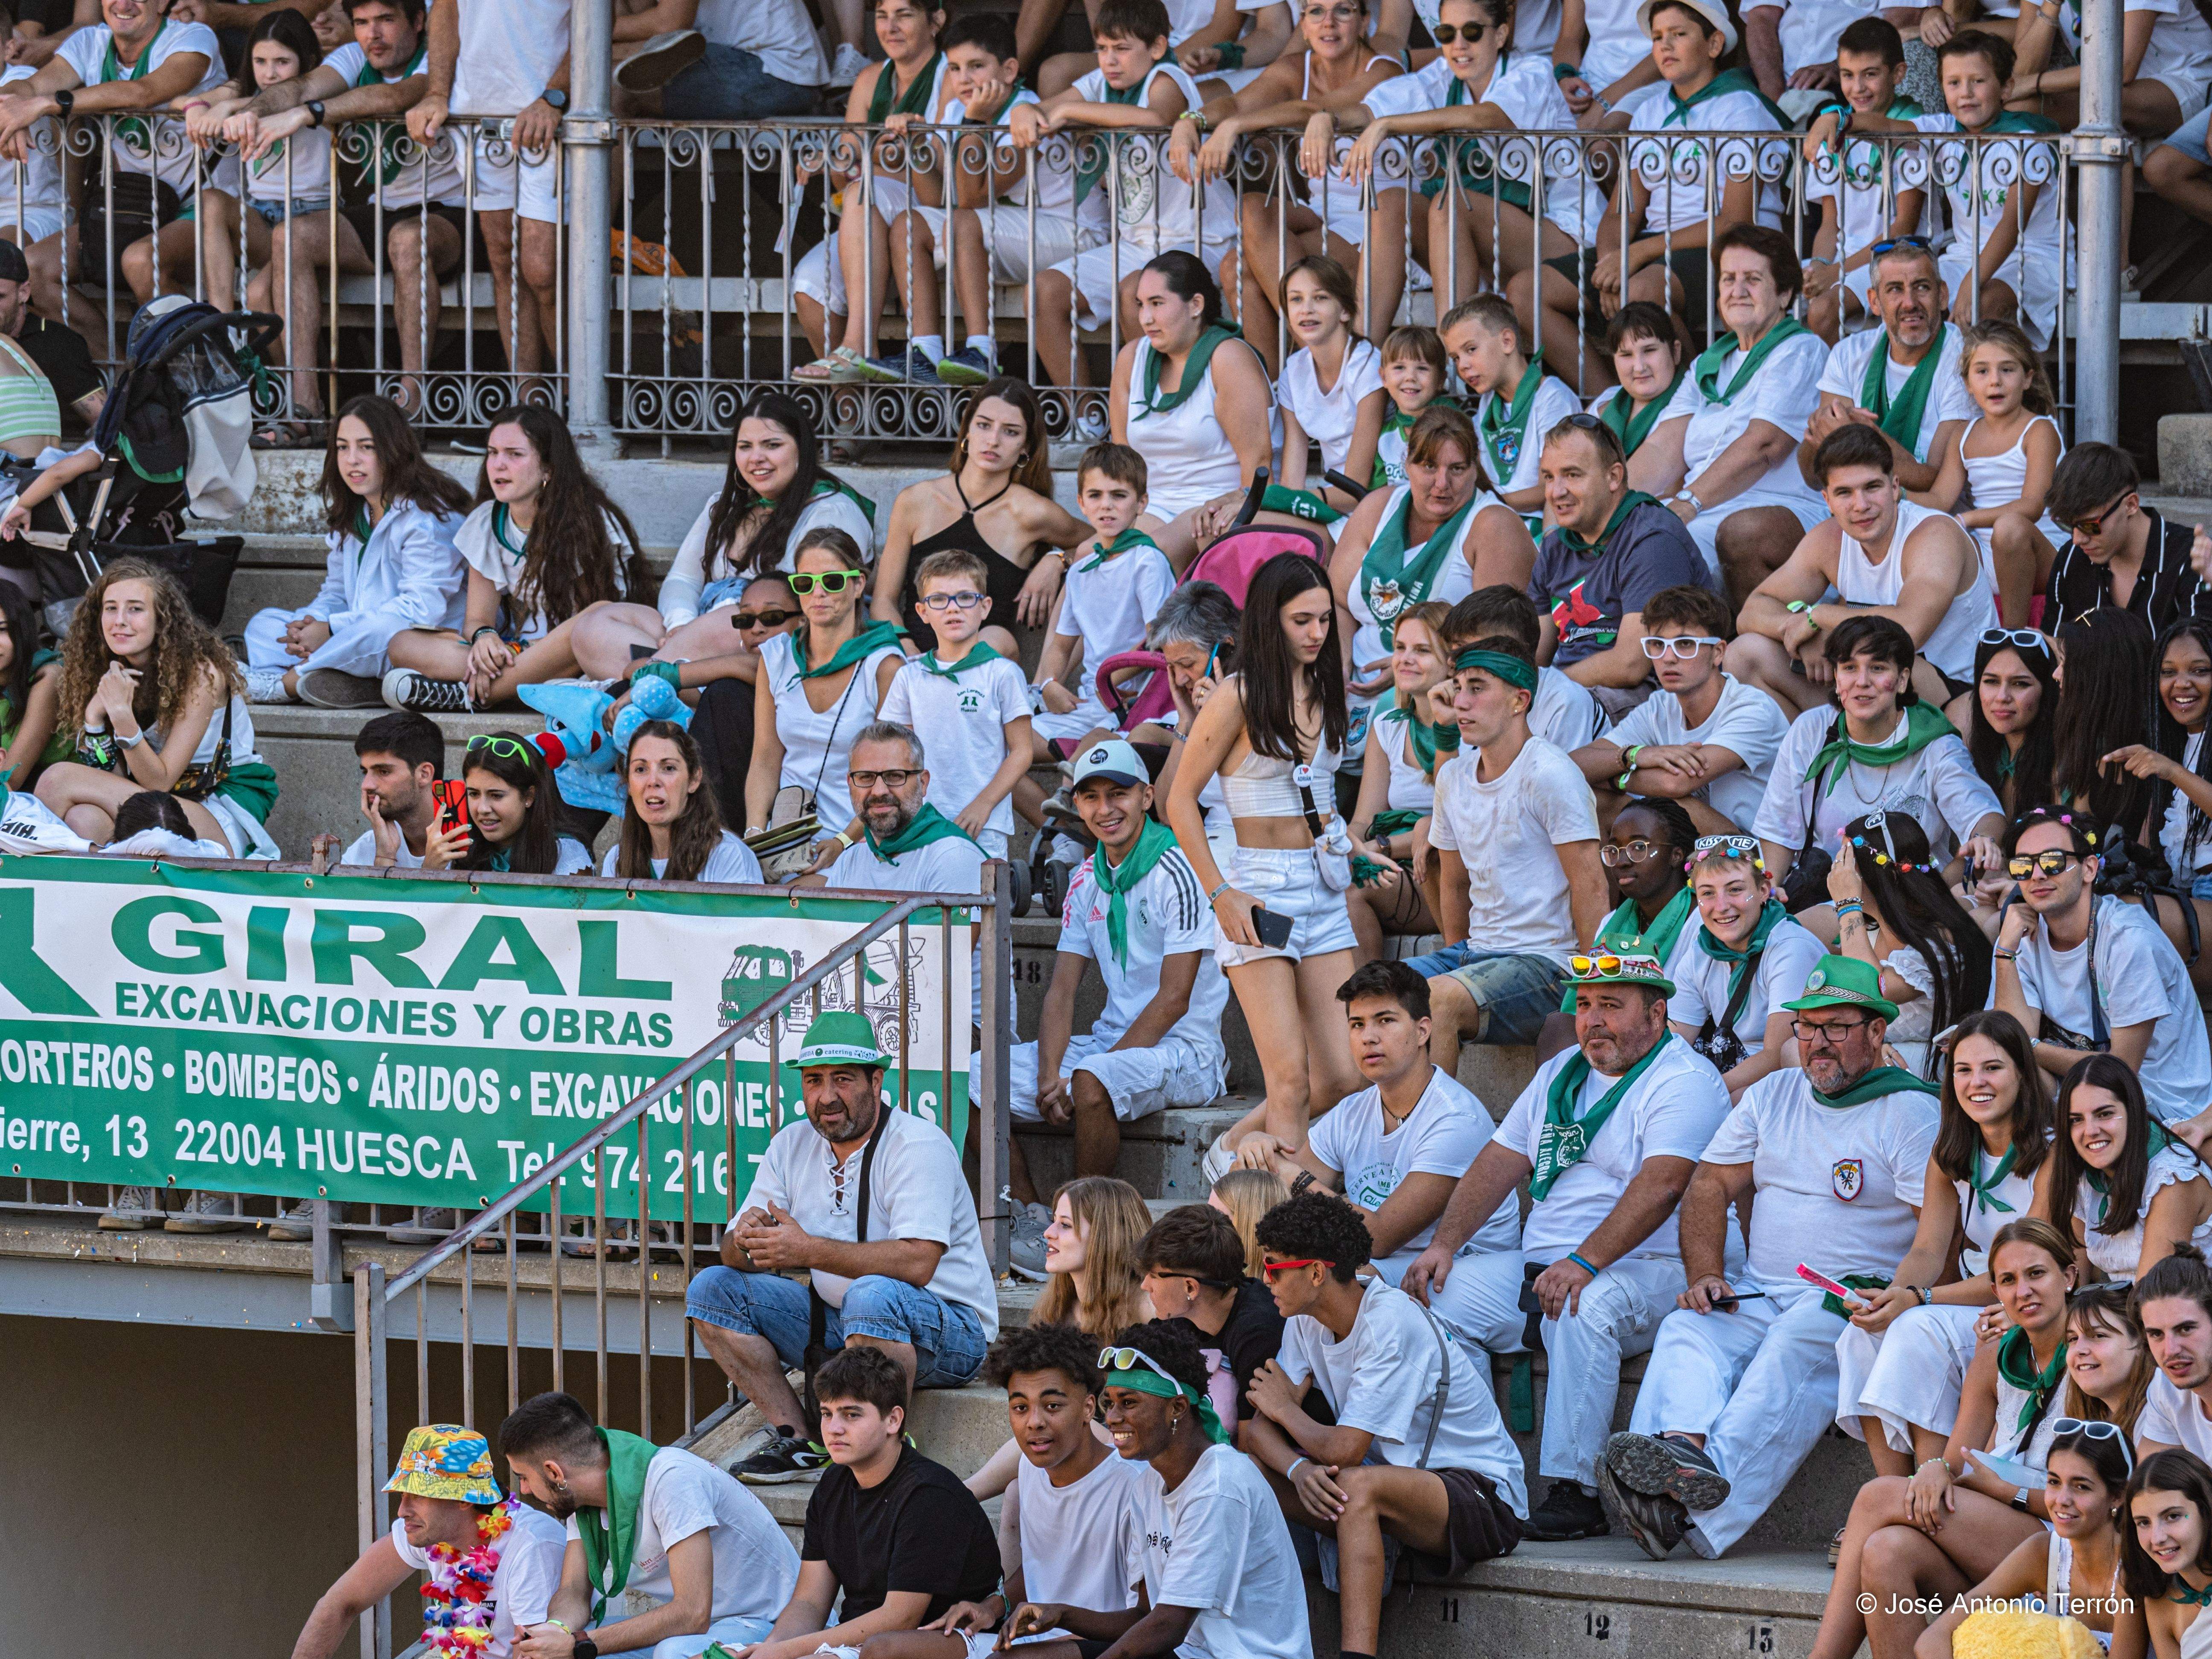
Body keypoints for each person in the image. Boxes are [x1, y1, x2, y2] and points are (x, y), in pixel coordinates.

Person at [1602, 954, 1941, 1561]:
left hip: (1847, 1300)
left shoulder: (1910, 1110)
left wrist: (1900, 1299)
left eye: (1837, 1027)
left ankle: (1683, 1511)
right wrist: (1705, 1274)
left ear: (1876, 1032)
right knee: (1687, 1322)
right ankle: (1678, 1450)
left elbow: (1933, 1239)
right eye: (1808, 1027)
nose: (1818, 1043)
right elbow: (1708, 1186)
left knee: (1797, 1343)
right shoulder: (1775, 1092)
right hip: (1761, 1287)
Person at [1401, 950, 1732, 1544]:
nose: (1593, 1020)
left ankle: (1575, 1491)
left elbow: (1663, 1187)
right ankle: (1477, 1472)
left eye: (1611, 1005)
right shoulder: (1562, 1072)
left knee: (1585, 1308)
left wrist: (1584, 1262)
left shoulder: (1685, 1080)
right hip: (1545, 1266)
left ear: (1658, 1015)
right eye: (1583, 1006)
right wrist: (1445, 1245)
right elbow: (1501, 1161)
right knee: (1428, 1301)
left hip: (1649, 1267)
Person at [685, 1010, 995, 1482]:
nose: (826, 1097)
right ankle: (799, 1439)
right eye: (813, 1081)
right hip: (840, 1321)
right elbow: (733, 1251)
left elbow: (917, 1261)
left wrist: (805, 1251)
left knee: (871, 1295)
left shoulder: (918, 1145)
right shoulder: (790, 1145)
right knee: (712, 1290)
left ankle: (885, 1450)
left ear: (877, 1081)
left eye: (843, 1080)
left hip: (948, 1330)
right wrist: (746, 1240)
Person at [1245, 1192, 1527, 1650]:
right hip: (1397, 1490)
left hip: (1481, 1496)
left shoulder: (1389, 1320)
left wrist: (1286, 1411)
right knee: (1247, 1470)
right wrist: (1298, 1469)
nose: (1265, 1280)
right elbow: (1259, 1430)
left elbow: (1343, 1450)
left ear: (1316, 1272)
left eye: (1275, 1268)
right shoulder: (1303, 1320)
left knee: (1357, 1485)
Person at [1811, 1225, 2097, 1659]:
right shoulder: (1993, 1352)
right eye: (2008, 1281)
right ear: (1996, 1291)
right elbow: (1953, 1463)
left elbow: (2098, 1503)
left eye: (2037, 1274)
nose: (2024, 1291)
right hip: (1998, 1532)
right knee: (1886, 1551)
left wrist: (2000, 1490)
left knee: (1877, 1497)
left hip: (2064, 1543)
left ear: (2070, 1277)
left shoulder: (2091, 1358)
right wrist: (1933, 1471)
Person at [1166, 553, 1361, 1168]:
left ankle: (1228, 1154)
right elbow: (1179, 801)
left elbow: (1320, 798)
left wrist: (1356, 847)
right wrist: (1221, 892)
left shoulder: (1329, 690)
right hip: (1256, 887)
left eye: (1325, 621)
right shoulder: (1237, 695)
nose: (1315, 633)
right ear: (1268, 622)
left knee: (1345, 1076)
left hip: (1322, 885)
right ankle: (1281, 1237)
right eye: (1301, 620)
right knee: (1291, 1082)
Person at [1002, 738, 1229, 1223]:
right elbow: (1061, 991)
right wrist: (1048, 1076)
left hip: (1187, 1052)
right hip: (1114, 1042)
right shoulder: (1086, 877)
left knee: (1091, 1079)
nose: (1106, 809)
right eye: (1091, 797)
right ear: (1077, 805)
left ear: (1147, 797)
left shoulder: (1181, 868)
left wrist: (1084, 1072)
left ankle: (1084, 1220)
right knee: (978, 1077)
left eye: (1118, 794)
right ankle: (1024, 1213)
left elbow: (1175, 998)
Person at [993, 1321, 1312, 1659]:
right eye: (1110, 1403)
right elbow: (1145, 1615)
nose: (1112, 1418)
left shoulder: (1218, 1486)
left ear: (1176, 1408)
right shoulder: (1149, 1481)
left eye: (1129, 1403)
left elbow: (1168, 1626)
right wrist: (1061, 1613)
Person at [1520, 0, 1787, 392]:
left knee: (1645, 290)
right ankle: (1604, 398)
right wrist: (1614, 261)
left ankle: (1694, 396)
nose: (1665, 46)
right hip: (1655, 251)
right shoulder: (1650, 111)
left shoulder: (1740, 108)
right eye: (1658, 37)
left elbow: (1736, 221)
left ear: (1715, 45)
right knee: (1527, 290)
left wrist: (1638, 256)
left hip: (1727, 247)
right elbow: (1621, 212)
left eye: (1679, 35)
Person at [221, 0, 467, 423]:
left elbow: (394, 97)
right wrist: (255, 111)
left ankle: (412, 400)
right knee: (290, 236)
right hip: (381, 212)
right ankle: (305, 408)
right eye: (362, 22)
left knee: (407, 239)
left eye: (387, 20)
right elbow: (299, 87)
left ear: (419, 22)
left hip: (450, 213)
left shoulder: (437, 52)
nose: (373, 34)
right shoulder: (356, 54)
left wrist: (307, 115)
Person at [1832, 1010, 2053, 1480]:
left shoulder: (2051, 1154)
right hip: (1976, 1301)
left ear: (2021, 1073)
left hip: (2022, 1301)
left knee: (1918, 1327)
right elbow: (1928, 1252)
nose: (1977, 1082)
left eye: (1993, 1068)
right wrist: (1896, 1296)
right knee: (1862, 1334)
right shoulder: (1950, 1149)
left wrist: (1919, 1300)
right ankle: (1890, 1491)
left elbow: (2021, 1272)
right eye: (1964, 1070)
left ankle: (1930, 1484)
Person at [1239, 960, 1522, 1289]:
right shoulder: (1353, 1111)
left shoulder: (1455, 1120)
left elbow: (1379, 1238)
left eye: (1385, 1021)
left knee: (1336, 1282)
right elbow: (1281, 1193)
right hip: (1393, 1264)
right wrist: (1257, 1148)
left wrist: (1292, 1175)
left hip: (1468, 1273)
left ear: (1422, 1031)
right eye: (1357, 1025)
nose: (1368, 1038)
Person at [1328, 0, 1597, 345]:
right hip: (1492, 242)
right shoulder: (1442, 77)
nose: (1458, 45)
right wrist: (1327, 118)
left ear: (1500, 34)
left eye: (1472, 32)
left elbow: (1485, 118)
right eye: (1446, 33)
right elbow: (1367, 111)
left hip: (1565, 240)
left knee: (1449, 203)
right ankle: (1361, 357)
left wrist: (1388, 125)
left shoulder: (1531, 72)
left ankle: (1451, 355)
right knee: (1391, 202)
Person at [870, 1325, 1142, 1659]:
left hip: (1099, 1644)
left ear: (1088, 1408)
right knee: (883, 1649)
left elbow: (1145, 1618)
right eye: (1020, 1408)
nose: (1034, 1422)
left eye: (1053, 1406)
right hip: (1030, 1638)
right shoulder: (1030, 1468)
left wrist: (1063, 1629)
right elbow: (1042, 1567)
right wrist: (991, 1607)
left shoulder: (1133, 1486)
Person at [1012, 3, 1238, 400]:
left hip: (1200, 240)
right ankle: (1084, 417)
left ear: (1156, 47)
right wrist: (1024, 109)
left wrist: (1065, 108)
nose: (1109, 61)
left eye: (1121, 48)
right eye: (1101, 49)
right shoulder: (1099, 83)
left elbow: (1154, 119)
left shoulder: (1166, 76)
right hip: (1137, 243)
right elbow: (1039, 110)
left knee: (1137, 289)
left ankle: (1158, 407)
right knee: (1044, 291)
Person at [1406, 633, 1605, 1071]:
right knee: (1376, 993)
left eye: (1478, 688)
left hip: (1548, 964)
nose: (1461, 702)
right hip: (1477, 952)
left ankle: (1438, 1137)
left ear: (1519, 700)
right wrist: (1462, 966)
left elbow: (1589, 886)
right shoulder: (1454, 777)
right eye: (1458, 687)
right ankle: (1385, 1126)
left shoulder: (1551, 773)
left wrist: (1591, 993)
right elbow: (1455, 883)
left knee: (1436, 1000)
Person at [497, 1390, 805, 1659]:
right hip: (709, 1629)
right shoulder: (583, 1503)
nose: (522, 1489)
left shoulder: (672, 1478)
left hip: (775, 1625)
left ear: (554, 1473)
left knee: (671, 1653)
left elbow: (692, 1614)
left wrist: (579, 1644)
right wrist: (556, 1631)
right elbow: (574, 1590)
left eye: (524, 1477)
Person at [1807, 32, 2069, 349]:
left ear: (2007, 88)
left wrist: (1971, 285)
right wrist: (1836, 117)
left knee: (1980, 307)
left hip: (2033, 259)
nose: (1966, 94)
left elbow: (2010, 227)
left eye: (1978, 82)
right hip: (1963, 258)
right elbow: (1887, 127)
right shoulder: (1945, 129)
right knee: (1907, 298)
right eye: (1954, 83)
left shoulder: (2027, 143)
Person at [382, 405, 647, 714]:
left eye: (514, 455)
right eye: (493, 453)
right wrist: (485, 640)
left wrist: (524, 652)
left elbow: (600, 620)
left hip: (576, 655)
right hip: (516, 653)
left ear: (549, 468)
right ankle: (503, 687)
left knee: (591, 622)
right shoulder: (486, 521)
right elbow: (478, 618)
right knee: (402, 644)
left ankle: (477, 695)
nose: (498, 465)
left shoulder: (590, 521)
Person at [591, 396, 879, 679]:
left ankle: (643, 683)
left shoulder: (833, 510)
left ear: (802, 451)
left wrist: (703, 633)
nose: (756, 458)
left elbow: (807, 604)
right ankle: (663, 679)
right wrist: (681, 626)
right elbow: (683, 579)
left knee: (733, 617)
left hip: (772, 645)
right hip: (702, 635)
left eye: (772, 445)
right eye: (745, 447)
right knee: (598, 622)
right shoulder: (725, 506)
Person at [1170, 6, 1400, 355]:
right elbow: (1235, 105)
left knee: (1237, 266)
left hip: (1378, 225)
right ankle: (1278, 385)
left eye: (1343, 11)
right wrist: (1191, 120)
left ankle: (1322, 354)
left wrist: (1236, 126)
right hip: (1323, 213)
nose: (1328, 23)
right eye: (1316, 12)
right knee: (1251, 208)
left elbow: (1316, 110)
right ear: (1303, 27)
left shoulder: (1384, 70)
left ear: (1366, 23)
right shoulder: (1297, 68)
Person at [1740, 428, 1996, 729]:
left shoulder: (1934, 534)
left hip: (1953, 690)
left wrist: (1818, 617)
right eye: (1844, 493)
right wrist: (1799, 633)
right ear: (1828, 500)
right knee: (1745, 653)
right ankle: (1817, 760)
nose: (1860, 505)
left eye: (1872, 487)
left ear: (1894, 487)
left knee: (1876, 666)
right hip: (1869, 678)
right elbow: (1752, 611)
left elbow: (1909, 629)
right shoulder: (1829, 539)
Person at [1990, 807, 2212, 1139]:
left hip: (2162, 1108)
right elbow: (2014, 1040)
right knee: (1999, 1077)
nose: (2037, 875)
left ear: (2089, 868)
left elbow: (2121, 1069)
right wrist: (2004, 954)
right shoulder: (2020, 935)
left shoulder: (2128, 939)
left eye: (2052, 861)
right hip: (2083, 1093)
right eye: (2023, 866)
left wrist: (2028, 1049)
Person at [36, 558, 279, 859]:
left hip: (218, 806)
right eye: (111, 608)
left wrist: (122, 717)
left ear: (162, 619)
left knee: (56, 780)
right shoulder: (109, 671)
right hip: (154, 804)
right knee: (84, 819)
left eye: (136, 609)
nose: (120, 620)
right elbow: (118, 777)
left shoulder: (202, 674)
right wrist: (95, 720)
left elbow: (159, 781)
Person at [1330, 404, 1536, 750]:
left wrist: (1409, 672)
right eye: (1429, 467)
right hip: (1347, 682)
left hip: (1434, 696)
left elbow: (1498, 647)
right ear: (1407, 464)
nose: (1443, 484)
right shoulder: (1378, 506)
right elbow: (1335, 601)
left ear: (1475, 469)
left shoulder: (1494, 526)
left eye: (1457, 469)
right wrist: (1337, 660)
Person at [242, 395, 468, 709]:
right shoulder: (356, 513)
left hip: (416, 645)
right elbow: (336, 593)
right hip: (356, 638)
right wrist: (312, 624)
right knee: (264, 625)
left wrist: (333, 629)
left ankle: (284, 684)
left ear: (394, 450)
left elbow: (421, 611)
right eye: (343, 447)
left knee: (380, 630)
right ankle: (341, 679)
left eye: (367, 447)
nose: (352, 460)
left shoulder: (427, 518)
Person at [0, 0, 230, 307]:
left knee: (141, 260)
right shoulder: (90, 41)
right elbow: (28, 85)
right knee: (35, 267)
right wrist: (12, 112)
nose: (123, 4)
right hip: (131, 208)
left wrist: (45, 104)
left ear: (163, 3)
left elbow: (142, 93)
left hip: (201, 206)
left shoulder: (194, 38)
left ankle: (195, 352)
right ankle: (109, 353)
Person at [1751, 615, 2005, 891]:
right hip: (1826, 894)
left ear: (1902, 680)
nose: (1862, 681)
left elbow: (1985, 816)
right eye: (1849, 667)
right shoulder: (1810, 730)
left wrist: (1983, 841)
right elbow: (1779, 831)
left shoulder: (1935, 744)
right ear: (1836, 678)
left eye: (1877, 668)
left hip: (1912, 896)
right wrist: (1773, 890)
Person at [1659, 226, 1834, 606]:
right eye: (1728, 279)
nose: (1737, 290)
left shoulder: (1800, 350)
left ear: (1785, 293)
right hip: (1706, 512)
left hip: (1780, 513)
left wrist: (1686, 505)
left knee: (1662, 557)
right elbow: (1661, 448)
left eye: (1752, 280)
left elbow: (1764, 445)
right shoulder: (1710, 362)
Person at [291, 1425, 568, 1659]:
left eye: (420, 1496)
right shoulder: (425, 1531)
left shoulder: (532, 1546)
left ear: (464, 1499)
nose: (402, 1511)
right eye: (402, 1494)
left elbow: (537, 1653)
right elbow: (338, 1604)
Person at [788, 0, 951, 378]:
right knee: (810, 286)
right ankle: (853, 422)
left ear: (936, 20)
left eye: (905, 15)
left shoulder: (952, 76)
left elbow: (941, 191)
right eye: (882, 16)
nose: (890, 27)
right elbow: (843, 181)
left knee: (866, 190)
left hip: (929, 217)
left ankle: (858, 345)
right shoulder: (869, 80)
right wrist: (832, 163)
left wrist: (882, 154)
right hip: (866, 215)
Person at [871, 380, 1086, 658]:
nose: (993, 440)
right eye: (984, 425)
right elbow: (883, 601)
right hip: (910, 660)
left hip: (982, 668)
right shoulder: (916, 501)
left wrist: (1056, 561)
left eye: (1010, 432)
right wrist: (908, 653)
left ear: (1026, 448)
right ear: (967, 432)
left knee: (995, 640)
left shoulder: (1033, 512)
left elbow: (1108, 539)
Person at [1527, 413, 1713, 720]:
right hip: (1571, 691)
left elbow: (1631, 664)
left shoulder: (1652, 538)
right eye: (1549, 477)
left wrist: (1544, 691)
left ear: (1614, 477)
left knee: (1551, 720)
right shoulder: (1557, 545)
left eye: (1572, 475)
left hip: (1648, 700)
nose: (1556, 492)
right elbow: (1535, 652)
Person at [1102, 251, 1280, 568]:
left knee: (1144, 560)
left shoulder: (1228, 360)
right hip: (1149, 508)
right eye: (1141, 305)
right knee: (1088, 561)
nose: (1145, 318)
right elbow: (1122, 463)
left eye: (1157, 304)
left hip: (1210, 508)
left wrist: (1228, 507)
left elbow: (1259, 468)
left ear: (1196, 305)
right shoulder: (1131, 359)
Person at [1573, 583, 1790, 836]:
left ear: (1718, 653)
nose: (1668, 658)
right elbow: (1574, 764)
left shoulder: (1752, 708)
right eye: (1657, 644)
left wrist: (1613, 777)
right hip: (1695, 848)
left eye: (1685, 644)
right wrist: (1634, 756)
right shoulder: (1660, 705)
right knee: (1589, 795)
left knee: (1667, 804)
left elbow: (1674, 784)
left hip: (1750, 853)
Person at [1913, 1423, 2138, 1654]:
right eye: (2054, 1482)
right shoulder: (2045, 1553)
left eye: (2081, 1487)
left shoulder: (2132, 1571)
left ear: (2118, 1496)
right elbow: (1935, 1635)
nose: (2062, 1500)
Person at [873, 549, 1034, 859]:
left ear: (985, 607)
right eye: (939, 600)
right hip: (919, 821)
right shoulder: (909, 676)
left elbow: (1023, 751)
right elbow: (896, 754)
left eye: (965, 598)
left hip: (981, 823)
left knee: (978, 903)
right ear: (922, 612)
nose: (953, 609)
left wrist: (984, 804)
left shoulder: (1002, 672)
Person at [747, 531, 905, 843]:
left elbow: (892, 778)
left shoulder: (885, 665)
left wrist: (843, 842)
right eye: (805, 583)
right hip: (786, 837)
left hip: (861, 838)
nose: (817, 593)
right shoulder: (777, 656)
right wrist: (756, 833)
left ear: (859, 584)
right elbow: (765, 757)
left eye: (832, 581)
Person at [1912, 321, 2065, 625]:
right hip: (1983, 553)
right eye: (1982, 371)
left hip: (2037, 551)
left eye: (2007, 370)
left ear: (2027, 378)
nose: (1995, 381)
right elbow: (1940, 499)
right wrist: (1895, 496)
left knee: (2010, 528)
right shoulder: (1963, 435)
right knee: (1933, 546)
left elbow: (2032, 507)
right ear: (1968, 383)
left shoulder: (2040, 430)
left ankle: (2011, 637)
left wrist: (1968, 519)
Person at [1032, 445, 1179, 759]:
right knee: (1006, 746)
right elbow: (1060, 647)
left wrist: (1108, 684)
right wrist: (1048, 684)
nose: (1107, 506)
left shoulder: (1147, 561)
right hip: (1092, 703)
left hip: (1136, 703)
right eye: (1096, 496)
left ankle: (1070, 796)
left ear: (1142, 503)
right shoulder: (1080, 571)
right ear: (1081, 504)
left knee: (1091, 750)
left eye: (1119, 495)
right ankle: (1050, 808)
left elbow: (1157, 643)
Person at [1801, 240, 1972, 504]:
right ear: (1875, 302)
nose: (1910, 303)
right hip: (1857, 511)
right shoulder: (1848, 355)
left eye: (1922, 288)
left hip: (1935, 516)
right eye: (1895, 290)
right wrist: (1819, 434)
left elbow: (1935, 481)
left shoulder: (1966, 361)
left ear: (1943, 296)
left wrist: (1860, 439)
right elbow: (1815, 477)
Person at [1825, 811, 1993, 1078]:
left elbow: (1870, 988)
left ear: (1887, 879)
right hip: (1884, 1050)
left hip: (1926, 1067)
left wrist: (1847, 904)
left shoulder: (1938, 940)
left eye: (1848, 865)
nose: (1838, 872)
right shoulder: (1871, 930)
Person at [186, 9, 325, 325]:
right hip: (261, 217)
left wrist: (231, 106)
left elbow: (293, 102)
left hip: (312, 217)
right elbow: (180, 102)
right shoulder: (250, 92)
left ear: (309, 61)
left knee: (259, 294)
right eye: (260, 62)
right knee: (210, 200)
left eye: (282, 62)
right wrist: (200, 107)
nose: (270, 74)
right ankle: (219, 323)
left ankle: (281, 374)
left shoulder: (322, 92)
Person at [1666, 833, 1825, 1096]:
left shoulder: (1790, 947)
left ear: (1763, 891)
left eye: (1736, 890)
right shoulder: (1702, 950)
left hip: (1782, 1080)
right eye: (1708, 893)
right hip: (1726, 1076)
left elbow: (1777, 1056)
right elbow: (1676, 1042)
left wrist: (1705, 1094)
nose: (1722, 906)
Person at [1801, 19, 1928, 341]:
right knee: (1770, 295)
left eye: (1870, 74)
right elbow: (1830, 223)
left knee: (1822, 311)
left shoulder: (1914, 130)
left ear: (1898, 74)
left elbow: (1903, 229)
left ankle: (1835, 392)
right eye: (1847, 75)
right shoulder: (1831, 130)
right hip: (1846, 258)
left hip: (1898, 257)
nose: (1857, 88)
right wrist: (1819, 266)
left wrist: (1837, 273)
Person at [1344, 601, 1455, 953]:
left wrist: (1381, 848)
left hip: (1446, 871)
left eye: (1422, 651)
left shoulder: (1471, 727)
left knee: (1352, 891)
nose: (1405, 659)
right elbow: (1364, 817)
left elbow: (1457, 821)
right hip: (1394, 861)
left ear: (1452, 661)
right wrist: (1352, 846)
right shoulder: (1387, 725)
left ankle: (1371, 997)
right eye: (1400, 648)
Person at [2051, 1053, 2212, 1281]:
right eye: (2076, 1119)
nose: (2090, 1131)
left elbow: (2151, 1296)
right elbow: (2075, 1276)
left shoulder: (2172, 1179)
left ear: (2133, 1112)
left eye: (2105, 1114)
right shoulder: (2086, 1172)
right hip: (2121, 1308)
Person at [1139, 1202, 1288, 1427]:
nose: (1144, 1285)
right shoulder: (1176, 1321)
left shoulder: (1259, 1333)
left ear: (1190, 1288)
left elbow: (1249, 1442)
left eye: (1154, 1276)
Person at [2043, 442, 2212, 639]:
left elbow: (2197, 657)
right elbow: (2056, 647)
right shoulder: (2070, 559)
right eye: (2068, 526)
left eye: (2090, 526)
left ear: (2131, 505)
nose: (2077, 540)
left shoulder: (2192, 559)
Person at [1440, 297, 1581, 528]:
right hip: (1490, 518)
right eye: (1456, 358)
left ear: (1507, 341)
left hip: (1534, 525)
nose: (1462, 365)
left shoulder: (1553, 399)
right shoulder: (1487, 402)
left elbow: (1553, 488)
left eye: (1471, 350)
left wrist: (1486, 504)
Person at [1440, 583, 1610, 755]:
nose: (1452, 661)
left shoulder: (1565, 701)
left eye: (1463, 648)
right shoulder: (1467, 695)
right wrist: (1445, 731)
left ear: (1510, 649)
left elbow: (1558, 780)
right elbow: (1454, 780)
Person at [1266, 258, 1385, 500]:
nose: (1306, 309)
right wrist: (1285, 505)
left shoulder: (1368, 366)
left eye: (1320, 298)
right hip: (1331, 499)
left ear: (1345, 311)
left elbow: (1356, 486)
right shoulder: (1293, 373)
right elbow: (1292, 478)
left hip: (1376, 499)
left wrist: (1296, 502)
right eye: (1296, 299)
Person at [603, 722, 764, 885]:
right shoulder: (616, 860)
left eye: (669, 768)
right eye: (641, 769)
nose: (653, 782)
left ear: (694, 779)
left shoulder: (728, 856)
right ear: (629, 784)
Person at [2053, 606, 2162, 842]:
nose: (2056, 674)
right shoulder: (2086, 737)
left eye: (2065, 663)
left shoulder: (2155, 752)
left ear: (2100, 673)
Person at [420, 732, 592, 875]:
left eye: (496, 796)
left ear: (529, 797)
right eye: (473, 794)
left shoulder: (564, 853)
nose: (483, 809)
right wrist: (431, 868)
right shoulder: (457, 848)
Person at [1586, 305, 1697, 501]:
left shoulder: (1692, 405)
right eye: (1626, 355)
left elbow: (1673, 490)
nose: (1639, 367)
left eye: (1650, 350)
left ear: (1676, 352)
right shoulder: (1604, 403)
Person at [2122, 1449, 2212, 1659]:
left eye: (2173, 1516)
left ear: (2206, 1511)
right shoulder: (2160, 1601)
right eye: (2144, 1523)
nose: (2157, 1538)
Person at [1965, 624, 2058, 824]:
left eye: (2020, 684)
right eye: (1991, 681)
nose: (2002, 697)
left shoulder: (2064, 763)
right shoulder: (1972, 755)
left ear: (2047, 690)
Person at [335, 708, 443, 868]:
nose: (367, 785)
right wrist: (385, 858)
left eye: (384, 772)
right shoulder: (367, 848)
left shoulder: (472, 844)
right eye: (365, 772)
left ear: (424, 774)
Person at [2139, 1247, 2212, 1473]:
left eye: (2186, 1329)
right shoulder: (2165, 1388)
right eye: (2156, 1334)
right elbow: (2153, 1493)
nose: (2170, 1350)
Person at [2065, 1282, 2155, 1438]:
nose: (2080, 1350)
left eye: (2098, 1336)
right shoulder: (2084, 1419)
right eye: (2073, 1339)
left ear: (2141, 1342)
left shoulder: (2163, 1420)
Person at [1369, 325, 1451, 492]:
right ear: (1384, 377)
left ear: (1441, 380)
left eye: (1422, 368)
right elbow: (1379, 493)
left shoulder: (1453, 424)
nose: (1410, 377)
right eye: (1400, 368)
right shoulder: (1385, 436)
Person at [0, 575, 63, 786]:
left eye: (1, 630)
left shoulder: (47, 677)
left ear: (21, 629)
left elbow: (11, 778)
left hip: (67, 793)